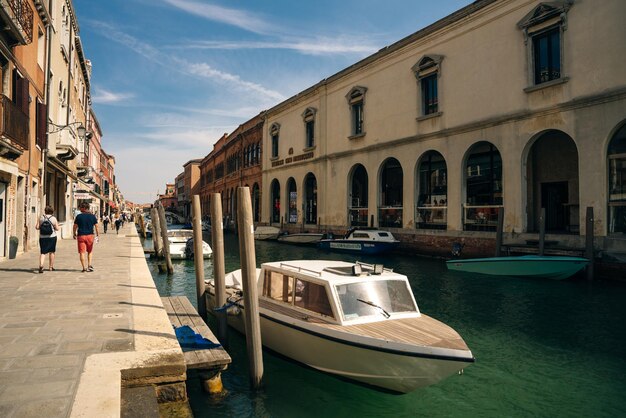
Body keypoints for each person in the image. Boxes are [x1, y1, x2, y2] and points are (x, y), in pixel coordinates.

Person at [73, 202, 100, 272]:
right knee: (90, 251)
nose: (80, 209)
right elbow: (97, 226)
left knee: (82, 252)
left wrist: (74, 233)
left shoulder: (78, 216)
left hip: (81, 236)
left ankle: (84, 268)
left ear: (83, 208)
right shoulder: (92, 216)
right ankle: (89, 265)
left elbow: (75, 226)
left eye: (80, 207)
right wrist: (97, 235)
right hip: (90, 236)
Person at [35, 205, 59, 273]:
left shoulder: (41, 218)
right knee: (52, 252)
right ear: (52, 211)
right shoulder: (53, 218)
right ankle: (51, 267)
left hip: (42, 237)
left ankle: (41, 265)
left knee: (43, 252)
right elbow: (57, 228)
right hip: (52, 237)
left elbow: (37, 227)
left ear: (45, 211)